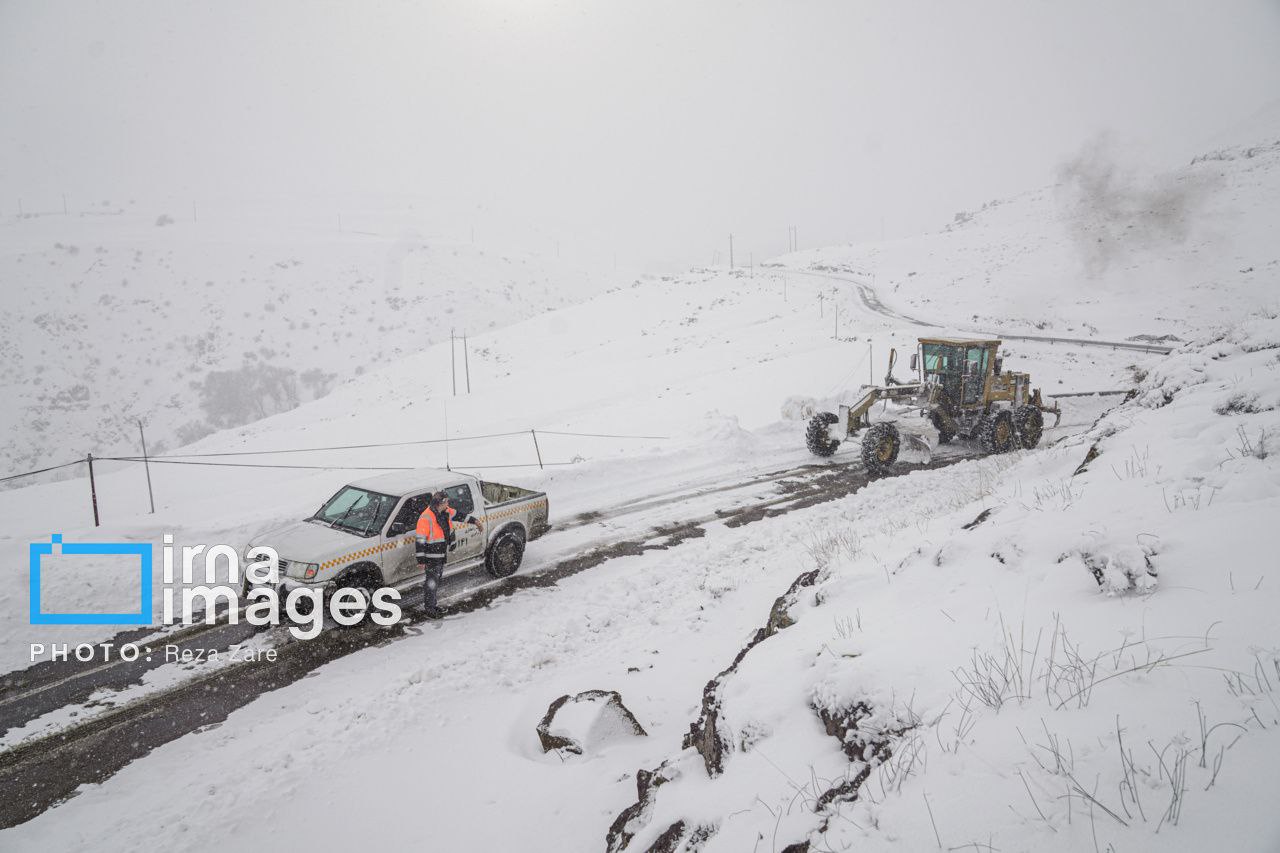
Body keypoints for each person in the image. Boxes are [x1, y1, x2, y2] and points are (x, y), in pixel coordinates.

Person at [415, 491, 482, 619]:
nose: (448, 504)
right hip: (431, 556)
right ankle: (430, 609)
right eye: (447, 502)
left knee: (435, 581)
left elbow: (461, 516)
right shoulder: (426, 517)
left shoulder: (446, 512)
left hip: (440, 555)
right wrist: (421, 560)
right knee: (432, 583)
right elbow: (420, 540)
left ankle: (432, 606)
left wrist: (475, 521)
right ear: (440, 503)